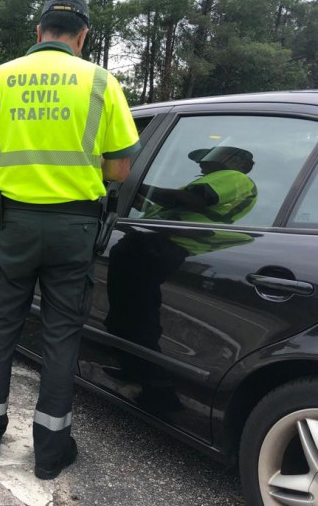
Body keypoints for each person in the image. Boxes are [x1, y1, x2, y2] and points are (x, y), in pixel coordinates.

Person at [0, 0, 140, 480]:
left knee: (0, 331)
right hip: (74, 229)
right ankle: (50, 452)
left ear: (38, 33)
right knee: (61, 338)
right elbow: (120, 169)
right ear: (82, 38)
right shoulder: (102, 81)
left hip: (12, 225)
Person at [104, 146, 257, 412]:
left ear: (231, 160)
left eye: (206, 159)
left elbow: (191, 200)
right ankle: (133, 372)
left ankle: (160, 393)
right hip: (152, 246)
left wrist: (138, 183)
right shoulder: (214, 181)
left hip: (161, 249)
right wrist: (140, 199)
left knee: (140, 321)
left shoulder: (235, 177)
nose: (201, 165)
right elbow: (171, 208)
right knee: (124, 319)